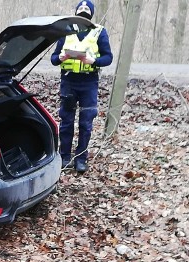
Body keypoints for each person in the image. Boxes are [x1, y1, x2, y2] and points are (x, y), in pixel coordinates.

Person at [50, 0, 113, 173]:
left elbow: (108, 58)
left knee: (86, 123)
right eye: (81, 9)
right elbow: (53, 59)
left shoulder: (99, 32)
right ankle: (64, 157)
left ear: (91, 14)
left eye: (87, 10)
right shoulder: (66, 32)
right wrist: (61, 58)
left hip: (89, 82)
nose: (83, 12)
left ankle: (81, 158)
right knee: (67, 121)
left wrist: (94, 61)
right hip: (69, 82)